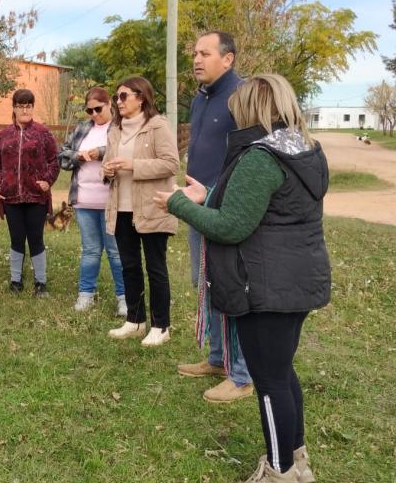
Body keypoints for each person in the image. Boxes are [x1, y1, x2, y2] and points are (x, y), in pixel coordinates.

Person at [155, 74, 331, 483]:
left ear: (250, 109)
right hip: (296, 279)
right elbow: (266, 203)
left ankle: (278, 480)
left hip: (265, 284)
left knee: (269, 380)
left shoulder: (259, 157)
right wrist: (209, 193)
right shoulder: (303, 149)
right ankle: (295, 459)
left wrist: (178, 204)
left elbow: (233, 225)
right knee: (283, 371)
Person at [178, 31, 254, 404]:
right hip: (198, 204)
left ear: (228, 59)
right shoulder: (200, 98)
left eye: (205, 53)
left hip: (225, 208)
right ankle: (218, 359)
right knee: (207, 283)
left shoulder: (243, 96)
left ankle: (242, 375)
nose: (196, 59)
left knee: (229, 288)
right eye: (194, 53)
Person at [101, 76, 178, 347]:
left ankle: (161, 325)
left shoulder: (158, 126)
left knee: (156, 268)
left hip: (152, 208)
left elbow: (171, 164)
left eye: (123, 96)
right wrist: (107, 170)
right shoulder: (115, 130)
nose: (118, 102)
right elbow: (108, 165)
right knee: (130, 266)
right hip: (121, 209)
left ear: (141, 97)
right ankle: (135, 321)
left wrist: (134, 164)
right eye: (116, 97)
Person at [57, 86, 126, 315]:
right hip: (84, 201)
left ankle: (124, 297)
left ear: (110, 104)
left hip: (112, 201)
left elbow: (127, 152)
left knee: (115, 251)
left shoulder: (121, 126)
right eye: (90, 111)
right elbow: (62, 157)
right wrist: (78, 156)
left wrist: (100, 152)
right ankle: (86, 294)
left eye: (98, 109)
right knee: (90, 250)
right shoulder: (82, 129)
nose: (95, 114)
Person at [0, 88, 60, 297]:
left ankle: (41, 283)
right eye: (21, 106)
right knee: (16, 239)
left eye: (28, 105)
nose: (25, 109)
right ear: (14, 108)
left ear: (32, 108)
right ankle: (15, 281)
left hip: (36, 196)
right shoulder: (4, 134)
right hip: (11, 197)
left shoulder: (43, 133)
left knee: (36, 238)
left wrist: (47, 181)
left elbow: (54, 161)